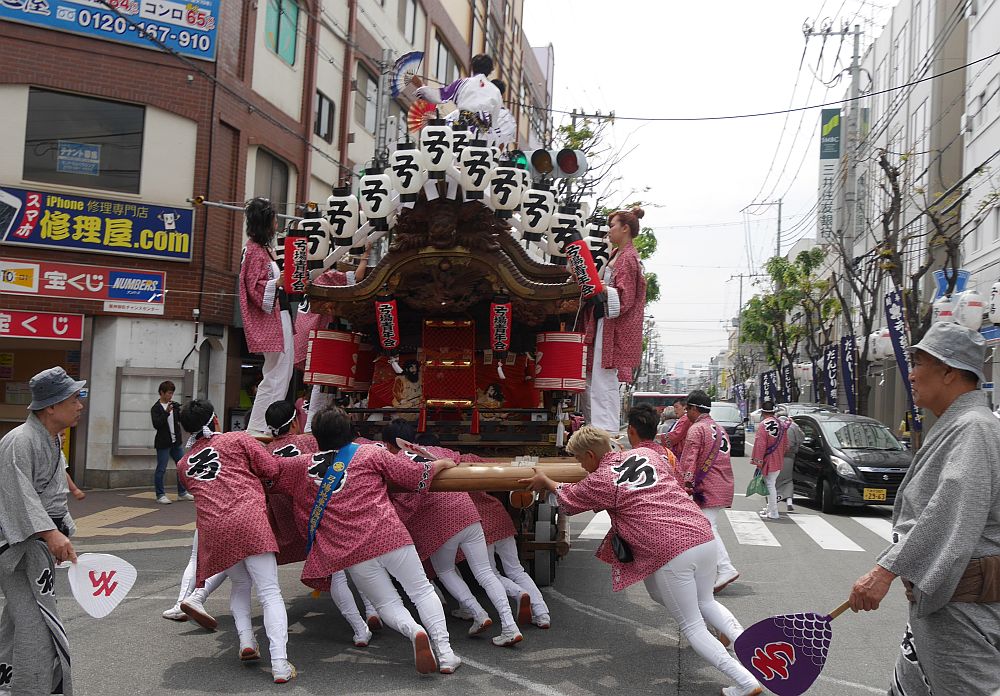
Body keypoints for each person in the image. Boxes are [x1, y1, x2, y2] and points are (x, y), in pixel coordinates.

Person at [520, 426, 762, 696]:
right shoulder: (647, 454)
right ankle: (757, 654)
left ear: (590, 455)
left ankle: (745, 680)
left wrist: (547, 481)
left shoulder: (602, 479)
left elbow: (568, 499)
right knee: (703, 601)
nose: (581, 466)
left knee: (692, 625)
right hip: (701, 533)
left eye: (579, 459)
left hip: (671, 548)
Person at [848, 322, 1000, 696]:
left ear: (949, 372)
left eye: (918, 363)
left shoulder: (974, 428)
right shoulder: (962, 424)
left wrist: (884, 571)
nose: (911, 374)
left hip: (962, 606)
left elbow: (949, 510)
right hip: (942, 597)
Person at [260, 407, 463, 674]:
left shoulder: (300, 466)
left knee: (387, 604)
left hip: (352, 551)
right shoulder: (370, 453)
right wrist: (442, 464)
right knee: (422, 591)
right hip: (389, 535)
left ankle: (414, 631)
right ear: (350, 431)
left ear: (315, 437)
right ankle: (445, 653)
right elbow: (414, 476)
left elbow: (268, 473)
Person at [176, 399, 295, 684]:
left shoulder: (183, 464)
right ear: (215, 420)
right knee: (269, 592)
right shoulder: (238, 439)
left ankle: (246, 642)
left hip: (214, 530)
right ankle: (279, 664)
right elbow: (271, 469)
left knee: (241, 584)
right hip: (249, 520)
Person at [380, 419, 523, 647]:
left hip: (442, 523)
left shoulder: (394, 465)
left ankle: (478, 613)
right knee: (486, 573)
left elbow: (402, 505)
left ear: (387, 445)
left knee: (445, 571)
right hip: (468, 512)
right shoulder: (435, 450)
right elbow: (462, 458)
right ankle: (509, 626)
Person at [262, 401, 380, 645]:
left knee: (337, 575)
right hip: (336, 508)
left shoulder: (267, 452)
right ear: (295, 422)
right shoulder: (309, 442)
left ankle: (360, 630)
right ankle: (372, 610)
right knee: (357, 563)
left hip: (303, 518)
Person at [0, 366, 84, 696]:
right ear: (51, 406)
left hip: (36, 544)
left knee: (19, 619)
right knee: (37, 625)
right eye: (73, 399)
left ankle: (7, 682)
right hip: (17, 547)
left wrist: (61, 532)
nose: (79, 405)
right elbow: (17, 495)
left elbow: (53, 494)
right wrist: (51, 534)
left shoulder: (51, 439)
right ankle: (30, 689)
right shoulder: (20, 441)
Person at [582, 208, 648, 433]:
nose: (608, 231)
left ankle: (605, 428)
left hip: (612, 321)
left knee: (604, 378)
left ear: (625, 228)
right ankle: (600, 425)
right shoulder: (619, 254)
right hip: (606, 319)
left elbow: (625, 297)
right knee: (598, 377)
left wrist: (601, 287)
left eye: (612, 226)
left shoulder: (628, 257)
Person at [294, 247, 370, 432]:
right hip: (318, 338)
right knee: (322, 385)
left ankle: (317, 428)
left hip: (303, 337)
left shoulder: (308, 276)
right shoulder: (326, 276)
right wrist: (365, 256)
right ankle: (312, 429)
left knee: (322, 387)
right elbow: (358, 278)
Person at [239, 197, 294, 437]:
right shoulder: (254, 250)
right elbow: (253, 287)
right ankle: (261, 426)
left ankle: (263, 425)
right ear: (265, 223)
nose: (276, 224)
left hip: (279, 313)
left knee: (279, 372)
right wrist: (278, 282)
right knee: (277, 373)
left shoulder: (260, 250)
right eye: (273, 220)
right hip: (273, 316)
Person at [678, 390, 740, 594]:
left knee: (707, 527)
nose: (686, 413)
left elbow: (689, 459)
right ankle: (706, 570)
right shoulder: (719, 428)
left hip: (707, 486)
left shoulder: (697, 429)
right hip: (723, 483)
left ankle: (725, 568)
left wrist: (685, 483)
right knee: (703, 526)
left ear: (695, 408)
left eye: (687, 409)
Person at [415, 54, 502, 137]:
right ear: (490, 71)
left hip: (461, 129)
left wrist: (422, 90)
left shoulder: (462, 83)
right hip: (482, 135)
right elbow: (494, 123)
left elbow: (440, 95)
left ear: (472, 67)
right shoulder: (496, 91)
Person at [151, 380, 193, 504]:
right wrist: (166, 413)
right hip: (163, 443)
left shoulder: (173, 406)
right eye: (168, 393)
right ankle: (160, 495)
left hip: (176, 442)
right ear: (161, 393)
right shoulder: (156, 408)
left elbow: (180, 420)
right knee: (161, 469)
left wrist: (181, 411)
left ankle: (182, 493)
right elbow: (157, 424)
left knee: (182, 466)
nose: (170, 396)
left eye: (172, 393)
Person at [750, 400, 789, 520]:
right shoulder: (781, 424)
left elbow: (760, 445)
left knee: (770, 485)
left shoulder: (763, 425)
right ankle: (769, 509)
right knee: (771, 483)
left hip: (768, 459)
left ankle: (774, 512)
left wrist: (758, 461)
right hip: (778, 458)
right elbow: (786, 444)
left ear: (762, 412)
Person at [627, 404, 680, 481]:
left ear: (631, 430)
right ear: (656, 431)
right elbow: (680, 482)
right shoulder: (669, 456)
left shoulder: (625, 459)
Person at [774, 407, 803, 513]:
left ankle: (774, 501)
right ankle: (789, 501)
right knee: (788, 480)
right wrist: (796, 446)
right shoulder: (793, 425)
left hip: (775, 456)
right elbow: (801, 438)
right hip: (789, 456)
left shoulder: (774, 425)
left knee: (773, 479)